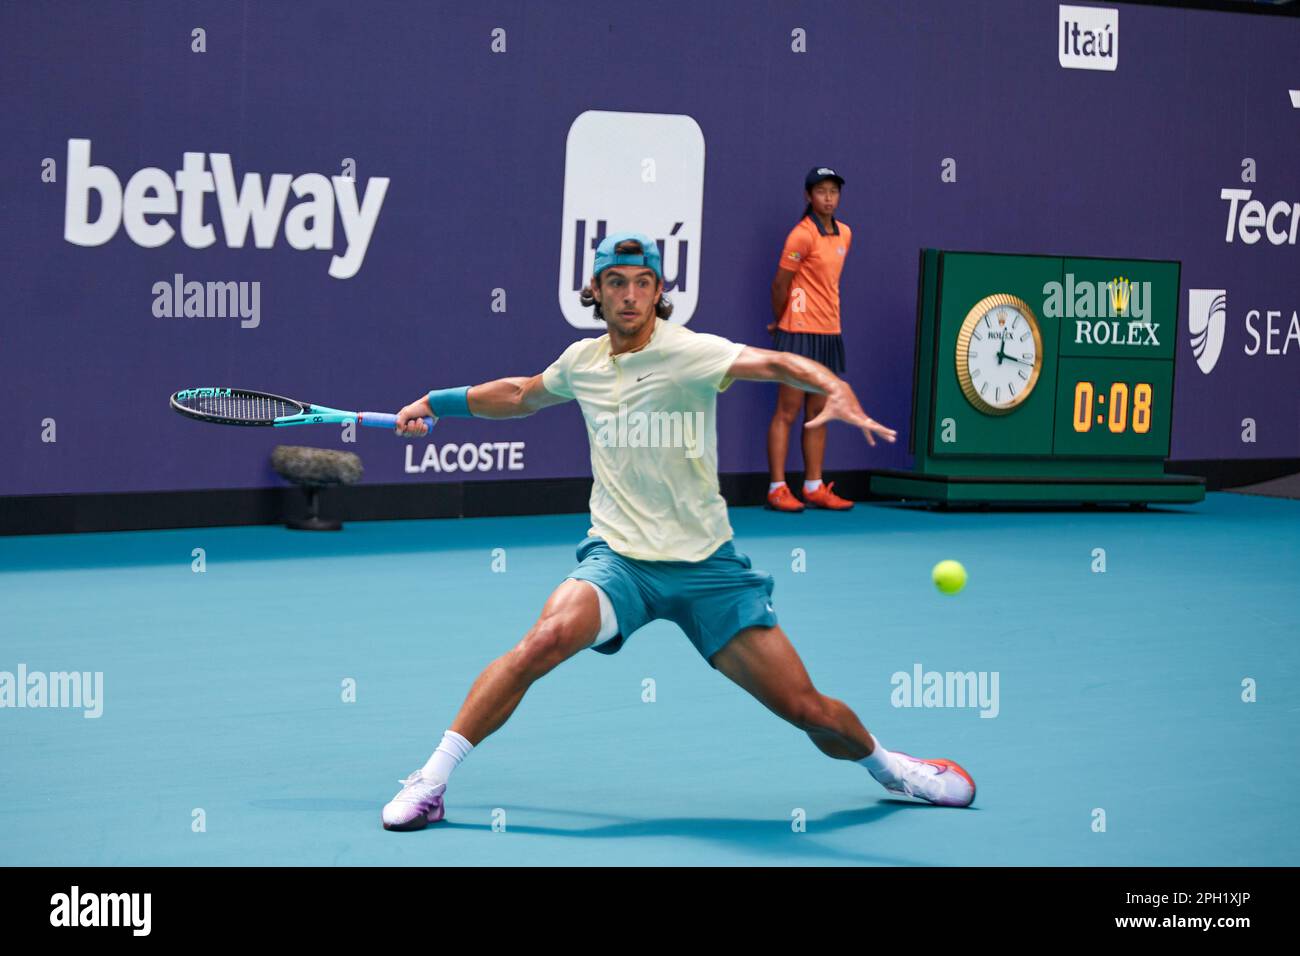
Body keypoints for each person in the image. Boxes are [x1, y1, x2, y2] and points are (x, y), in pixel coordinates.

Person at [382, 232, 974, 831]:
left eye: (643, 284)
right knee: (542, 641)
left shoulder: (689, 352)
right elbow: (519, 395)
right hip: (619, 562)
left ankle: (892, 768)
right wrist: (435, 402)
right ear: (596, 291)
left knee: (806, 708)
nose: (630, 296)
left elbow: (772, 363)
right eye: (616, 283)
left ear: (660, 291)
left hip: (707, 569)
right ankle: (431, 781)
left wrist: (833, 385)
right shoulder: (581, 363)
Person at [766, 166, 856, 512]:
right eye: (821, 192)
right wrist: (782, 320)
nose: (829, 198)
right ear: (809, 196)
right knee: (787, 411)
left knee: (819, 412)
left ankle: (814, 485)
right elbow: (779, 284)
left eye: (834, 191)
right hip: (798, 334)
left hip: (829, 333)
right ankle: (776, 488)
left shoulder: (845, 234)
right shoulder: (801, 235)